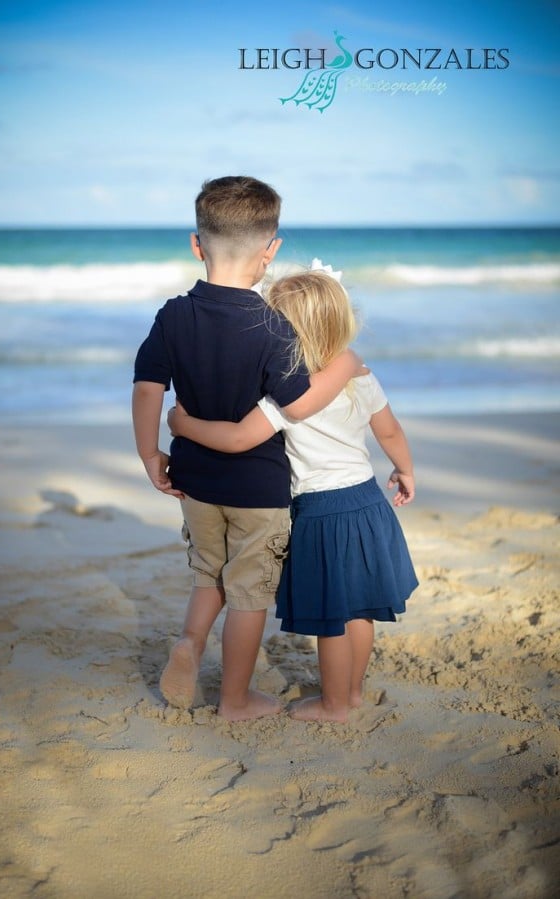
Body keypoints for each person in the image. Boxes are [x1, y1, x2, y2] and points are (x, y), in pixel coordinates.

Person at [132, 177, 364, 721]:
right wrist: (344, 364)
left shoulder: (172, 315)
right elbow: (299, 405)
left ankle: (189, 642)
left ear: (197, 244)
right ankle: (234, 699)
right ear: (271, 250)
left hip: (194, 478)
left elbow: (147, 388)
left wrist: (150, 454)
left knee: (208, 572)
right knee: (249, 593)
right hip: (257, 489)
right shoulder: (273, 325)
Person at [168, 269, 419, 723]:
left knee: (331, 618)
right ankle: (354, 694)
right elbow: (390, 429)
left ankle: (334, 704)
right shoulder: (361, 376)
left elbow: (240, 438)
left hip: (321, 511)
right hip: (366, 504)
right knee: (359, 609)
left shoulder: (286, 393)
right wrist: (404, 469)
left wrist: (182, 425)